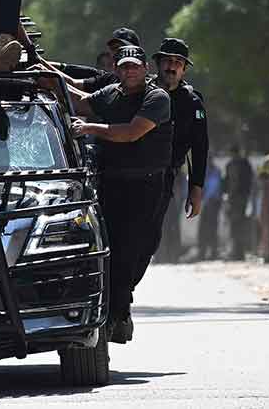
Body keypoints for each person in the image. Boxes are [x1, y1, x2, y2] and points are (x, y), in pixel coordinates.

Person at [68, 45, 172, 343]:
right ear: (116, 69)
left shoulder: (157, 97)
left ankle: (120, 309)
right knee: (112, 249)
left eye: (134, 66)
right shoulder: (112, 93)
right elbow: (83, 102)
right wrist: (48, 76)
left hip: (145, 186)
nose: (129, 71)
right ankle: (116, 315)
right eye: (124, 66)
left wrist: (90, 128)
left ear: (145, 69)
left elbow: (131, 132)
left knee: (136, 250)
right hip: (111, 182)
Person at [149, 38, 208, 264]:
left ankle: (166, 256)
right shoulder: (143, 92)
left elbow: (200, 147)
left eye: (178, 62)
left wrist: (196, 188)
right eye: (167, 61)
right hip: (134, 173)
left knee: (157, 229)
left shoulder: (192, 103)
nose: (171, 66)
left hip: (166, 176)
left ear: (184, 69)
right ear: (158, 64)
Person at [51, 27, 142, 93]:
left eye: (122, 48)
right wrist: (41, 63)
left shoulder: (148, 86)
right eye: (114, 48)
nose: (118, 52)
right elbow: (73, 82)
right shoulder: (108, 80)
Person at [224, 144, 254, 260]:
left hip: (240, 199)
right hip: (234, 200)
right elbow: (226, 182)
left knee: (239, 225)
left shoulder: (243, 164)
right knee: (234, 225)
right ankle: (236, 251)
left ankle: (239, 252)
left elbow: (247, 182)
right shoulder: (231, 164)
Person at [197, 156, 223, 260]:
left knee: (210, 228)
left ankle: (211, 252)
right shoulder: (209, 171)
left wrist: (204, 201)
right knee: (204, 228)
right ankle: (204, 252)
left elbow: (213, 187)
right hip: (208, 203)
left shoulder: (215, 171)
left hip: (212, 203)